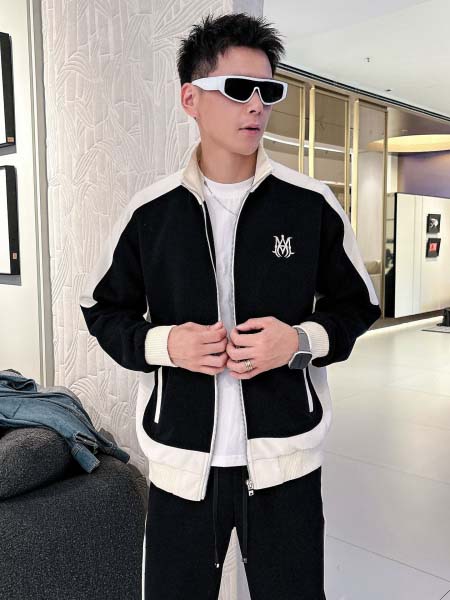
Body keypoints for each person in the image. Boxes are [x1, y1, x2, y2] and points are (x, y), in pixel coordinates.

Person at [79, 11, 382, 600]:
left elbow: (357, 305)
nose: (257, 105)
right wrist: (166, 344)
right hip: (180, 463)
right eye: (239, 89)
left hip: (285, 459)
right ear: (191, 98)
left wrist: (297, 342)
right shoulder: (150, 213)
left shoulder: (310, 204)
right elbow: (103, 310)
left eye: (268, 91)